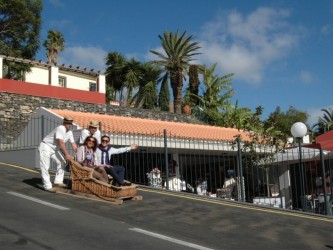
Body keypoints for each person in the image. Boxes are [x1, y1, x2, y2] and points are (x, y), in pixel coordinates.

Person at [38, 117, 77, 192]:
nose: (69, 124)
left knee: (62, 161)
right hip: (46, 146)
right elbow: (61, 142)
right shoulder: (61, 128)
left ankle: (58, 182)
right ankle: (47, 186)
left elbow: (73, 144)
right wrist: (67, 155)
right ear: (64, 123)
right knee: (45, 166)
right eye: (67, 123)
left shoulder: (70, 132)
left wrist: (79, 152)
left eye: (70, 123)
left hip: (54, 149)